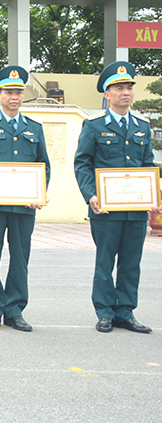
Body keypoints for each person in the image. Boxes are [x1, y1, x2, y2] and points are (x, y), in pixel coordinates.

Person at [74, 61, 161, 334]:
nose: (126, 92)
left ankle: (125, 311)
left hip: (135, 209)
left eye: (129, 88)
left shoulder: (142, 126)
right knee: (105, 261)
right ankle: (104, 312)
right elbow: (82, 164)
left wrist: (154, 194)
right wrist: (91, 195)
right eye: (119, 88)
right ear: (107, 94)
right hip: (105, 209)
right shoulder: (94, 126)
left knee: (131, 262)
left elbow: (148, 164)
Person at [0, 66, 50, 332]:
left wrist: (40, 193)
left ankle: (14, 310)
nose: (14, 97)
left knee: (20, 259)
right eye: (9, 92)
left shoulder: (34, 129)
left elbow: (43, 165)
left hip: (24, 206)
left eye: (18, 92)